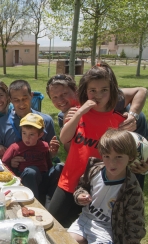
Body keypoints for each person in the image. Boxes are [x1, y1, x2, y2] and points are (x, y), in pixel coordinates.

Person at [47, 63, 127, 227]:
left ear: (112, 91)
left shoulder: (118, 120)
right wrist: (79, 113)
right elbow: (64, 138)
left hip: (97, 187)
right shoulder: (77, 112)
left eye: (104, 90)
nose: (98, 95)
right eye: (93, 90)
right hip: (69, 181)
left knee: (85, 231)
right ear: (85, 91)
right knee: (52, 223)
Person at [46, 73, 148, 189]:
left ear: (76, 91)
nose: (60, 100)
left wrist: (133, 115)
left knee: (138, 167)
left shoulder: (100, 98)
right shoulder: (65, 115)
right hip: (103, 164)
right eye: (54, 97)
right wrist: (72, 122)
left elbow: (141, 91)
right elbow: (71, 148)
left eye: (64, 94)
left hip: (133, 126)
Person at [68, 129, 146, 244]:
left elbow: (135, 228)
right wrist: (81, 195)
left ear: (131, 157)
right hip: (84, 221)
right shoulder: (95, 170)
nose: (112, 163)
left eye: (119, 157)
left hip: (106, 230)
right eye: (107, 156)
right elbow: (81, 186)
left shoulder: (131, 190)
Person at [0, 80, 60, 159]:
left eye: (24, 98)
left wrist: (52, 152)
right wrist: (10, 161)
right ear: (10, 99)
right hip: (11, 170)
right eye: (16, 100)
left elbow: (51, 156)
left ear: (31, 96)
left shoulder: (46, 121)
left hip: (41, 168)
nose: (21, 104)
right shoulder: (0, 125)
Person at [2, 113, 55, 205]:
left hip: (42, 177)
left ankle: (51, 203)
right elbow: (4, 163)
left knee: (59, 168)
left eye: (32, 134)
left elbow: (48, 162)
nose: (27, 137)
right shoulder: (16, 147)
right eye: (24, 133)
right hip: (26, 178)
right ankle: (34, 203)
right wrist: (13, 176)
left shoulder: (44, 146)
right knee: (31, 171)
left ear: (40, 135)